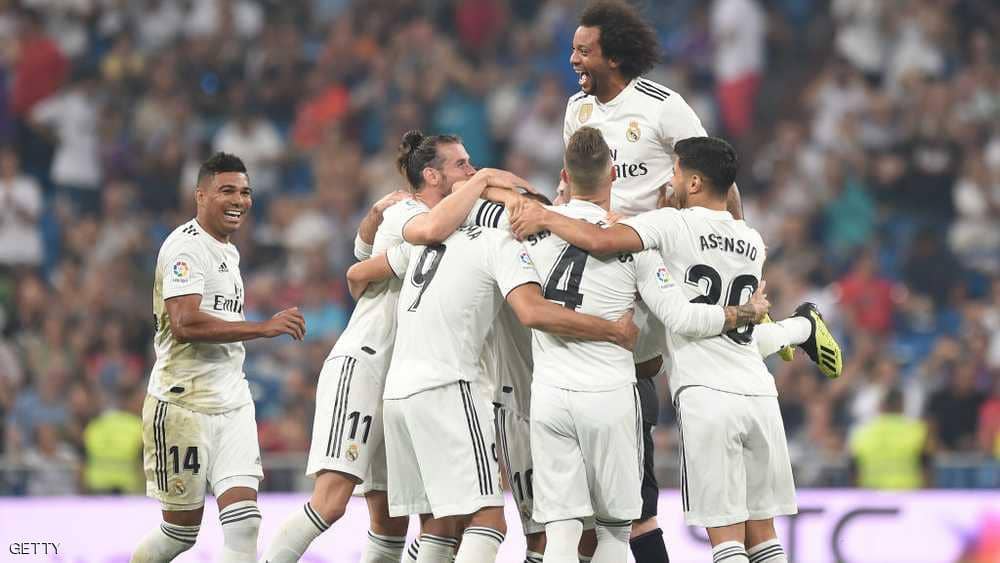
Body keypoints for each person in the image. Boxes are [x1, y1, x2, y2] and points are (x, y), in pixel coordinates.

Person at [511, 137, 842, 563]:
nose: (670, 181)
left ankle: (800, 327)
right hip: (759, 393)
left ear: (696, 181)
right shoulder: (752, 239)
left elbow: (602, 242)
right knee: (764, 535)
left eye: (676, 172)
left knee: (726, 538)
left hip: (707, 396)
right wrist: (752, 313)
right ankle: (800, 326)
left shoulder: (668, 227)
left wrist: (546, 215)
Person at [263, 130, 533, 563]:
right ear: (431, 175)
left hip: (406, 383)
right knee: (331, 502)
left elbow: (359, 267)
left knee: (411, 522)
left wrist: (502, 189)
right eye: (461, 164)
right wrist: (485, 181)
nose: (471, 170)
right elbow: (370, 264)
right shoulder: (408, 212)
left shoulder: (454, 227)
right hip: (366, 364)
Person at [561, 3, 752, 559]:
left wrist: (734, 246)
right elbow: (569, 182)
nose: (573, 59)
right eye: (573, 49)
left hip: (649, 267)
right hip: (593, 265)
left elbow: (717, 180)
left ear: (614, 56)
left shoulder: (664, 107)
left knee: (635, 386)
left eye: (584, 50)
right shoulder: (577, 109)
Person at [345, 214, 640, 563]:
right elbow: (532, 312)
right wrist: (612, 330)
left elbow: (356, 272)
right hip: (471, 392)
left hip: (403, 391)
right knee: (496, 523)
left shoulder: (424, 239)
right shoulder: (501, 244)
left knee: (442, 526)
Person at [130, 152, 307, 563]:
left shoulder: (228, 251)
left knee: (245, 523)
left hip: (233, 402)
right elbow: (185, 324)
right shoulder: (185, 248)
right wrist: (262, 328)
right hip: (183, 405)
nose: (239, 200)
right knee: (179, 534)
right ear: (201, 195)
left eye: (245, 192)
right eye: (227, 191)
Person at [849, 388, 931, 489]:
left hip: (871, 493)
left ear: (882, 406)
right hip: (907, 492)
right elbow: (926, 467)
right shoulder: (918, 430)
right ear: (902, 405)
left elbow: (854, 470)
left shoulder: (862, 432)